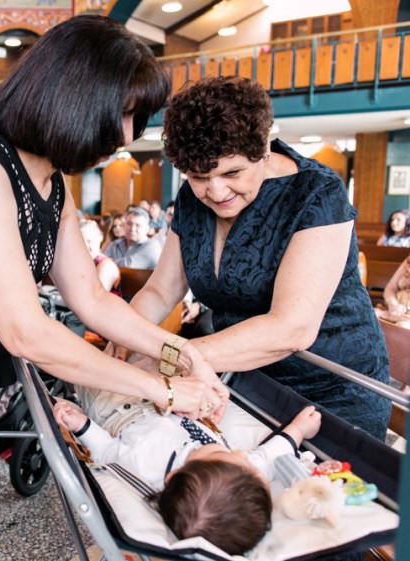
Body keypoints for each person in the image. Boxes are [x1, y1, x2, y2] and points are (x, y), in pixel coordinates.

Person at [0, 17, 225, 561]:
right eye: (123, 114)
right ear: (73, 96)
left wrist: (181, 352)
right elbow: (26, 331)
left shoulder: (50, 181)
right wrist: (163, 390)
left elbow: (93, 300)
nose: (128, 136)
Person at [129, 75, 391, 439]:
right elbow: (160, 291)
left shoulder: (316, 194)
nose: (216, 191)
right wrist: (124, 338)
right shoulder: (193, 199)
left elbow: (291, 328)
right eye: (198, 176)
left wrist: (169, 355)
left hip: (332, 395)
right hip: (241, 381)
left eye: (233, 172)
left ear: (264, 147)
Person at [52, 391, 322, 556]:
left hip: (117, 408)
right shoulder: (242, 472)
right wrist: (300, 429)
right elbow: (269, 455)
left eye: (221, 454)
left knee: (96, 371)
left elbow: (108, 450)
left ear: (175, 476)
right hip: (169, 398)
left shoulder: (148, 465)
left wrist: (82, 426)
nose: (240, 453)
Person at [375, 255, 410, 328]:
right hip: (395, 309)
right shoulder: (408, 260)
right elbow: (390, 288)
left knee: (402, 326)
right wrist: (393, 305)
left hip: (407, 317)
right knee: (372, 315)